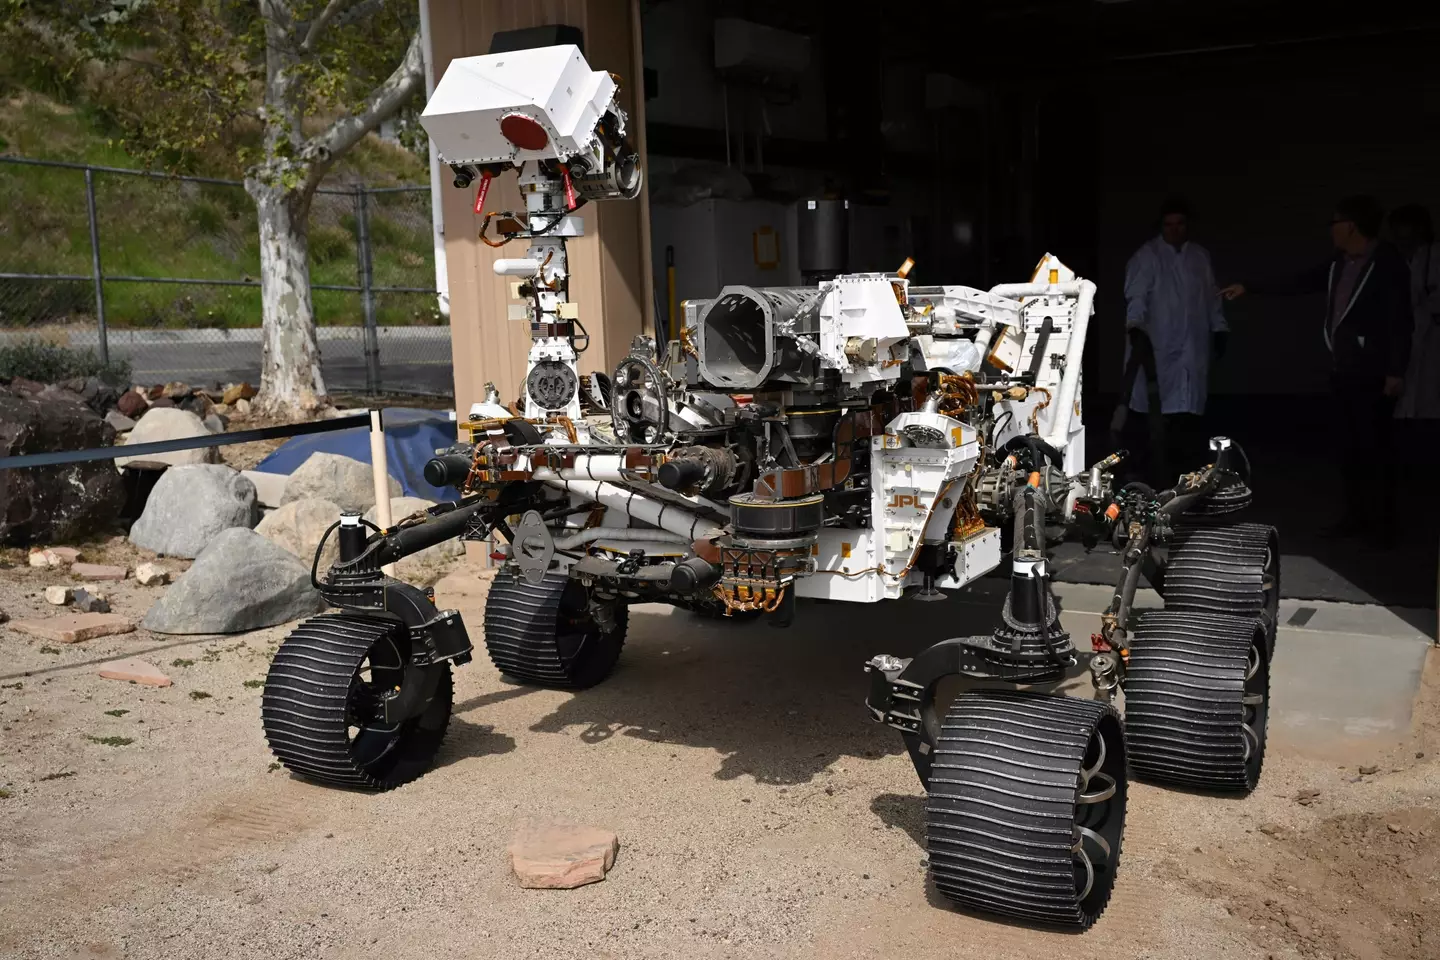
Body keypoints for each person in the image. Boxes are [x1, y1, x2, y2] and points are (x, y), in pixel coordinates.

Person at [1220, 195, 1412, 537]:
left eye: (1335, 223)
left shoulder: (1385, 261)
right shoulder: (1340, 263)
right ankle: (1355, 516)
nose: (1331, 230)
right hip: (1344, 369)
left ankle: (1383, 524)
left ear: (1351, 225)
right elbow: (1301, 281)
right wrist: (1251, 287)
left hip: (1374, 370)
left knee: (1376, 448)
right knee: (1349, 448)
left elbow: (1400, 317)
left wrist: (1396, 369)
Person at [1120, 197, 1228, 485]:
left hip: (1192, 346)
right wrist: (1136, 329)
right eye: (1169, 225)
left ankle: (1186, 475)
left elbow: (1211, 297)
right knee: (1150, 413)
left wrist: (1219, 328)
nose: (1175, 230)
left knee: (1187, 414)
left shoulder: (1199, 257)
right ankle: (1150, 476)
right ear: (1161, 226)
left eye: (1180, 224)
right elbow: (1136, 296)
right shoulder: (1148, 256)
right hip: (1157, 347)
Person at [1391, 204, 1440, 420]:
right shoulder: (1398, 259)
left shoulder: (1434, 255)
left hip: (1430, 335)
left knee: (1428, 390)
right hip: (1408, 336)